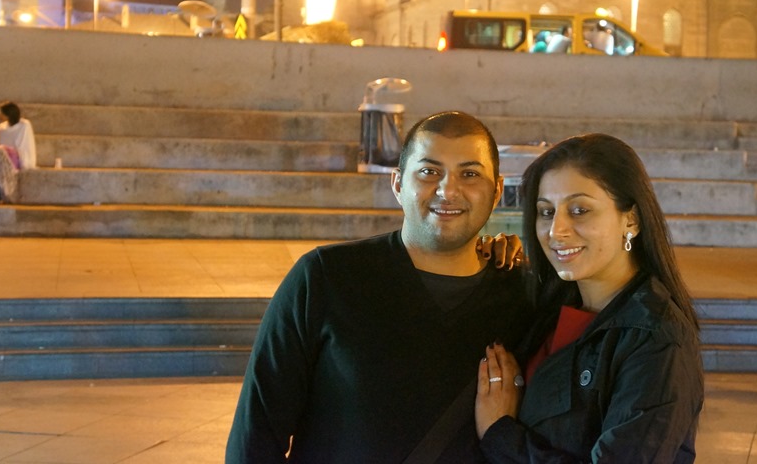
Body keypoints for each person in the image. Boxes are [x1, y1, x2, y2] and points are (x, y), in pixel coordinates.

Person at [226, 111, 533, 463]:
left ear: (496, 191)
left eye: (470, 174)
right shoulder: (327, 278)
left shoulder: (522, 295)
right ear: (398, 184)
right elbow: (255, 436)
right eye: (429, 172)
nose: (448, 190)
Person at [474, 133, 704, 462]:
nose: (556, 231)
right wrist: (484, 258)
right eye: (546, 211)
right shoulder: (548, 308)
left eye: (580, 210)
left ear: (631, 219)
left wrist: (501, 435)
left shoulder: (657, 339)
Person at [0, 101, 37, 204]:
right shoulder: (1, 127)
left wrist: (25, 163)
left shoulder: (24, 125)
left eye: (2, 113)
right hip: (1, 158)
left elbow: (25, 146)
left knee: (0, 151)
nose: (0, 115)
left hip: (14, 160)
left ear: (9, 114)